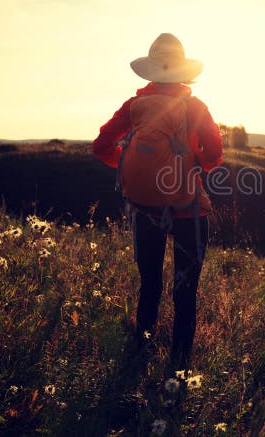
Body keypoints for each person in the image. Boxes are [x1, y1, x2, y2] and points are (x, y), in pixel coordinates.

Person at [93, 33, 223, 371]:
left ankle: (140, 352)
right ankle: (179, 367)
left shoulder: (134, 107)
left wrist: (129, 165)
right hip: (189, 210)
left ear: (151, 70)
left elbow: (100, 146)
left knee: (150, 283)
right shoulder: (195, 108)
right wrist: (190, 168)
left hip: (145, 207)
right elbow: (215, 154)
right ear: (183, 70)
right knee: (185, 290)